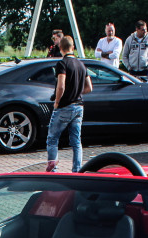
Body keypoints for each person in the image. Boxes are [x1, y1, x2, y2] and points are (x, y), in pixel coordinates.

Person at [46, 34, 92, 173]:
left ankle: (53, 170)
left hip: (64, 106)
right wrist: (76, 92)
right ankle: (77, 171)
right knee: (76, 142)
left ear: (60, 47)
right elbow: (89, 87)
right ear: (73, 47)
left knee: (53, 138)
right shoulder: (81, 64)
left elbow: (61, 86)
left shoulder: (62, 64)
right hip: (79, 106)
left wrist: (57, 102)